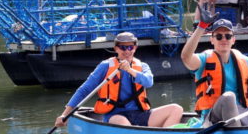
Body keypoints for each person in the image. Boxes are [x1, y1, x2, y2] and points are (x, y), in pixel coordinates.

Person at [54, 32, 183, 128]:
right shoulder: (106, 66)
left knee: (176, 109)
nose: (127, 51)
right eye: (122, 47)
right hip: (116, 115)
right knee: (127, 127)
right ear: (116, 48)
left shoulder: (142, 66)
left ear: (135, 48)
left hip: (141, 114)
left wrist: (130, 70)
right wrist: (65, 114)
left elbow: (149, 82)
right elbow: (85, 90)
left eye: (130, 47)